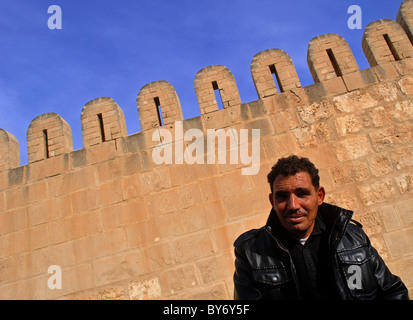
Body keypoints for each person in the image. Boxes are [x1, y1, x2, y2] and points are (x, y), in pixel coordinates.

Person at [233, 155, 409, 300]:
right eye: (282, 196)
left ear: (319, 196)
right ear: (272, 201)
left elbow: (393, 292)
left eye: (302, 194)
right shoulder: (250, 253)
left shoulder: (354, 238)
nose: (293, 205)